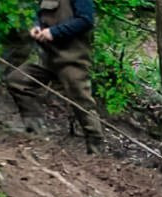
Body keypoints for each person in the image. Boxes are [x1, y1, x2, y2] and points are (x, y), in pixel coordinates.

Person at [6, 0, 103, 154]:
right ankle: (37, 136)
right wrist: (36, 28)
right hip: (47, 58)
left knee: (82, 105)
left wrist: (54, 32)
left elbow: (86, 20)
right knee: (17, 81)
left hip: (72, 60)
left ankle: (97, 155)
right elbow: (40, 16)